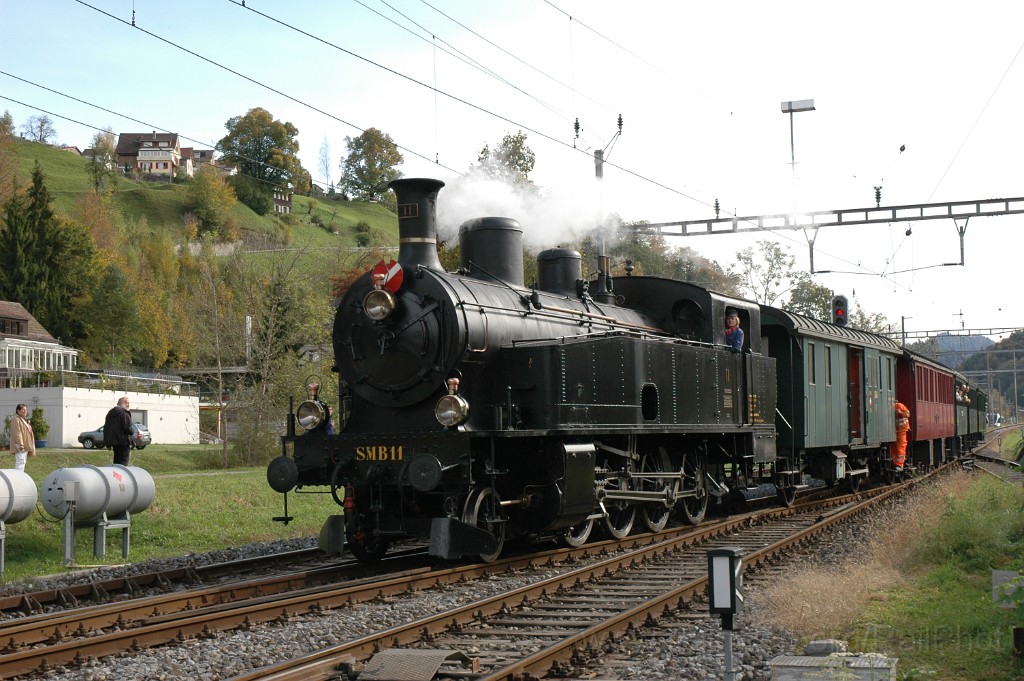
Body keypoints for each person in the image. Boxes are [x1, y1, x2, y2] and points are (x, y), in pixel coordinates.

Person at [103, 396, 134, 466]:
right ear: (122, 403)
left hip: (115, 443)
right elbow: (127, 428)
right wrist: (132, 432)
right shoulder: (124, 413)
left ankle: (115, 476)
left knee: (116, 463)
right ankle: (123, 476)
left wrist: (107, 443)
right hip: (124, 442)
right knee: (123, 464)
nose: (128, 405)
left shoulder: (110, 414)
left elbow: (106, 428)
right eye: (127, 403)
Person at [8, 404, 35, 472]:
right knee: (20, 461)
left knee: (23, 461)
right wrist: (21, 444)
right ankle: (18, 478)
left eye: (26, 410)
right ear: (18, 410)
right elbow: (17, 432)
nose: (25, 411)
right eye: (23, 409)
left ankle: (21, 477)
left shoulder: (24, 420)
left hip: (24, 444)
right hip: (20, 444)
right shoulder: (16, 419)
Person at [894, 401, 911, 471]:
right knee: (894, 447)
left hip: (902, 430)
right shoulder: (891, 407)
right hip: (896, 430)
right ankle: (895, 463)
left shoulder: (899, 406)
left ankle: (900, 464)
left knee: (900, 447)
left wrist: (900, 413)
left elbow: (908, 414)